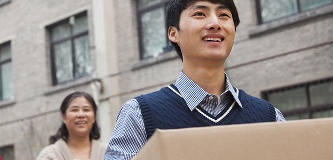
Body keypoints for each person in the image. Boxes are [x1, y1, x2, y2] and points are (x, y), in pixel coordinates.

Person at [104, 0, 286, 159]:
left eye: (223, 15)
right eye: (200, 13)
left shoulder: (269, 117)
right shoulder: (139, 114)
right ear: (173, 33)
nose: (215, 23)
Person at [36, 92, 106, 160]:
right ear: (63, 117)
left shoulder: (110, 152)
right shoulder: (50, 155)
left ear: (94, 117)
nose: (81, 115)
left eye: (86, 109)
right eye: (74, 110)